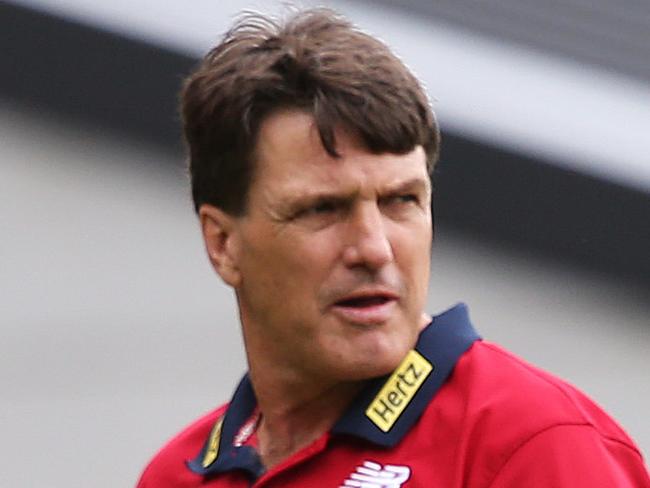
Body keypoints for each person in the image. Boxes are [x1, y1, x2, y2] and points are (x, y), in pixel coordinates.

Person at [136, 7, 650, 487]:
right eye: (323, 209)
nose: (374, 249)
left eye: (401, 200)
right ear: (223, 244)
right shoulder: (176, 476)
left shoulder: (532, 444)